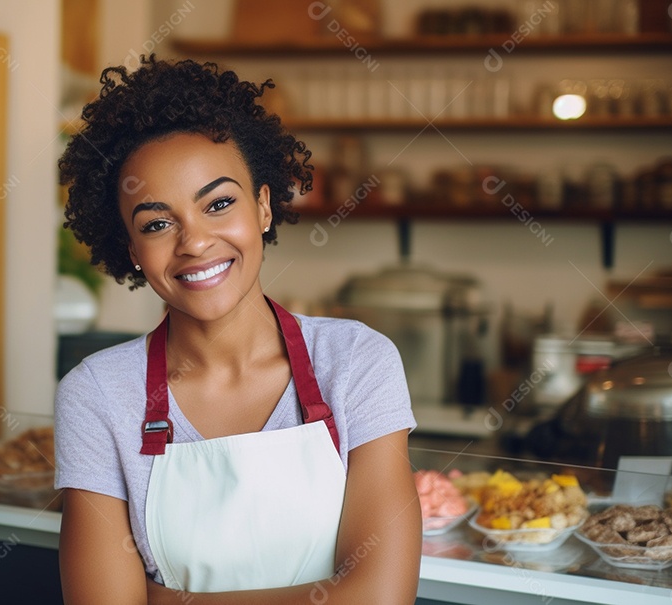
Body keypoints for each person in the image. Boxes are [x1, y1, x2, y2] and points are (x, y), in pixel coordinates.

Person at [55, 55, 420, 604]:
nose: (195, 242)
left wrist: (165, 599)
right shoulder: (97, 395)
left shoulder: (357, 361)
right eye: (157, 223)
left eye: (219, 203)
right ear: (131, 249)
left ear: (264, 207)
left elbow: (380, 598)